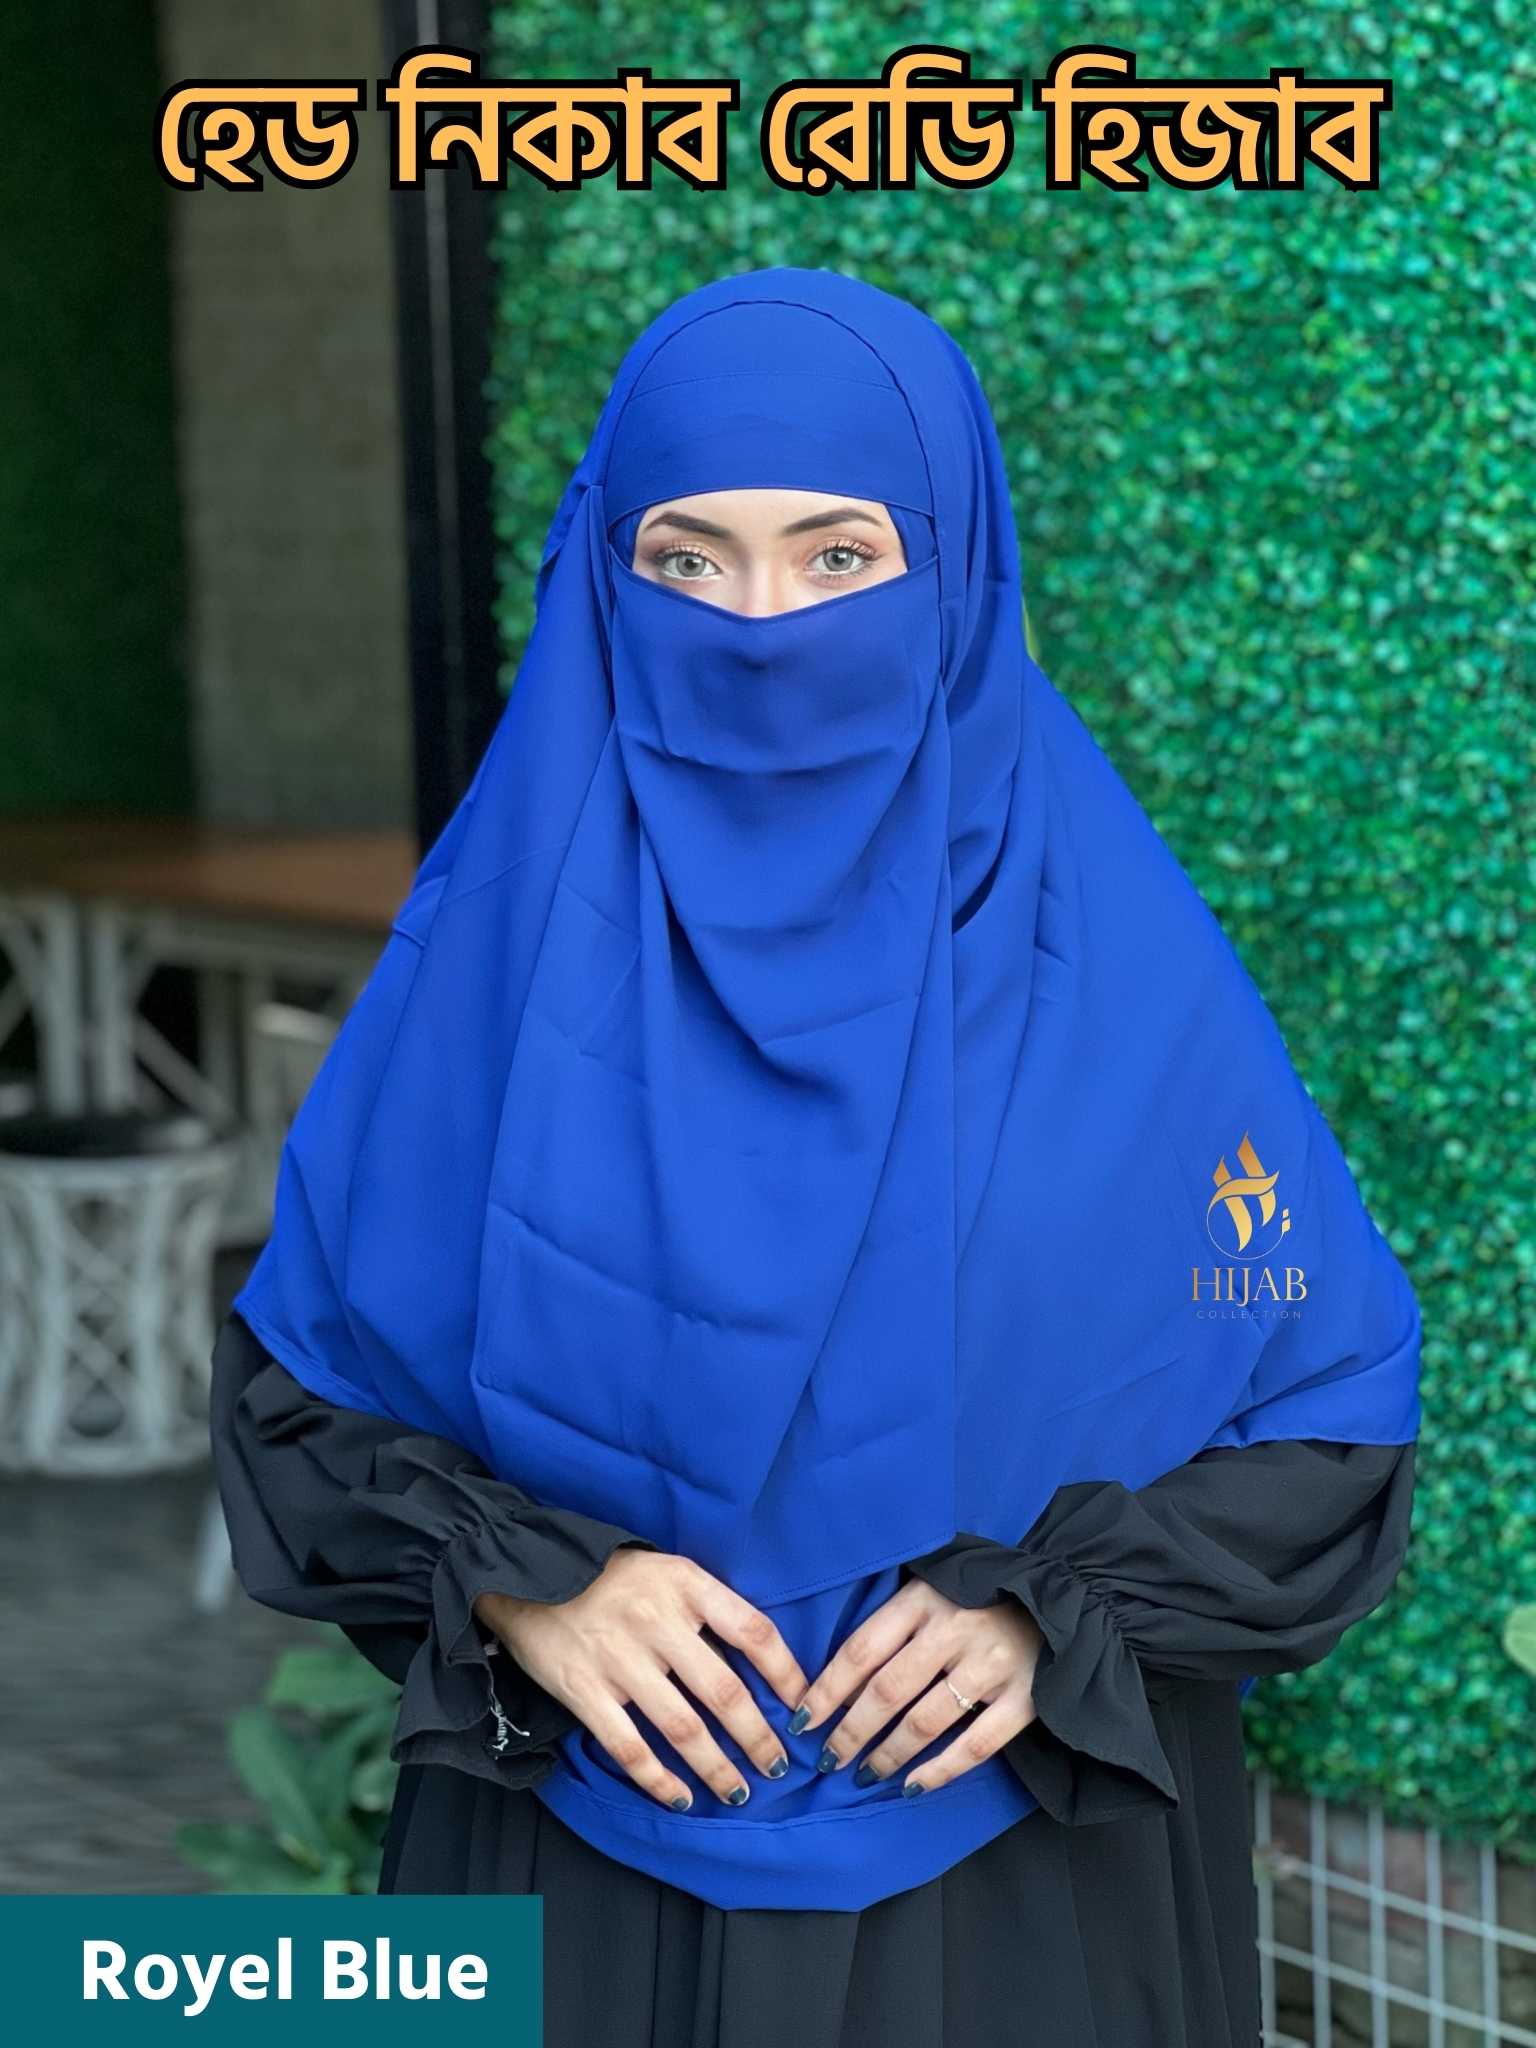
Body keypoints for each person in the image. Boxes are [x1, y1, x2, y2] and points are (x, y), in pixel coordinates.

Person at [209, 265, 1422, 2048]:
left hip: (1027, 1890)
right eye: (689, 560)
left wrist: (1055, 1614)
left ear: (957, 576)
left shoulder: (1124, 990)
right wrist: (518, 1580)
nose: (762, 628)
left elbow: (1327, 1420)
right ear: (602, 579)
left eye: (839, 555)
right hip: (570, 1879)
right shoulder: (490, 972)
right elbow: (298, 1409)